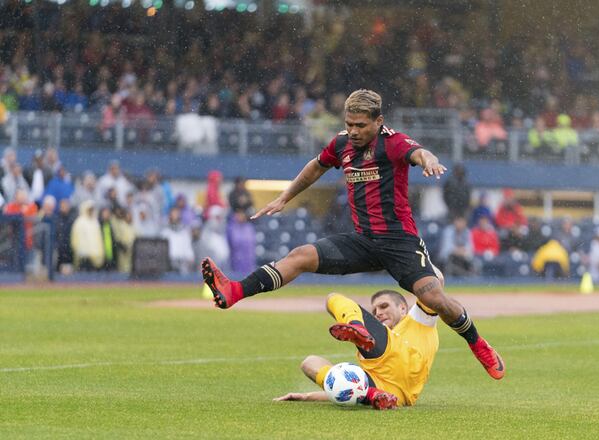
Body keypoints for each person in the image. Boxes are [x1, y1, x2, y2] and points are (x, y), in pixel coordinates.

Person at [202, 89, 504, 380]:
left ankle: (479, 345)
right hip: (363, 240)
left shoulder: (394, 143)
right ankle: (234, 291)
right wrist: (285, 197)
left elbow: (419, 152)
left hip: (400, 242)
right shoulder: (341, 144)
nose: (354, 131)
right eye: (349, 124)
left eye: (361, 125)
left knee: (435, 299)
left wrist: (430, 161)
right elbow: (316, 167)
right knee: (300, 256)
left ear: (378, 121)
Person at [274, 289, 439, 410]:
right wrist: (306, 396)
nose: (378, 313)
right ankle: (372, 396)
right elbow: (348, 388)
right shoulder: (375, 339)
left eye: (384, 306)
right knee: (309, 363)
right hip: (390, 393)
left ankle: (356, 325)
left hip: (395, 352)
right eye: (375, 311)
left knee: (332, 297)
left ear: (403, 308)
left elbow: (435, 281)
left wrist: (419, 266)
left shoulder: (420, 319)